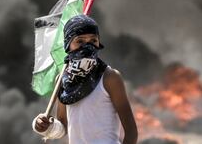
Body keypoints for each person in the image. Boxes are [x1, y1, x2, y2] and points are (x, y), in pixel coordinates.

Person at [32, 14, 138, 144]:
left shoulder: (110, 77)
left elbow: (131, 132)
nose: (87, 47)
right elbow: (63, 127)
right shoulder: (62, 80)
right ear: (68, 45)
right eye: (80, 41)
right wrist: (46, 127)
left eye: (93, 41)